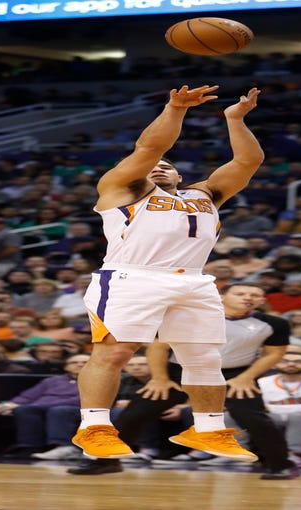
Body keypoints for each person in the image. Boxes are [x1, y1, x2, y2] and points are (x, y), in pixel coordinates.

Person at [74, 85, 264, 462]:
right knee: (114, 354)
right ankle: (94, 428)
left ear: (180, 175)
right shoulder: (123, 189)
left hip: (194, 280)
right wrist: (175, 109)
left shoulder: (205, 195)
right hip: (133, 276)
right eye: (157, 165)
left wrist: (235, 119)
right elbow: (149, 149)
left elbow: (247, 162)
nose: (161, 166)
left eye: (169, 165)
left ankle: (209, 429)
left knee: (205, 358)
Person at [69, 283, 299, 479]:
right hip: (177, 371)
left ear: (262, 300)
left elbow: (274, 354)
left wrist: (247, 377)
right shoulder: (190, 315)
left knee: (253, 417)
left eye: (255, 295)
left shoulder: (274, 323)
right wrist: (159, 378)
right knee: (136, 413)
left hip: (235, 375)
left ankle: (281, 466)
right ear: (222, 296)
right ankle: (105, 461)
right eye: (240, 293)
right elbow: (159, 347)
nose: (248, 297)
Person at [0, 353, 89, 457]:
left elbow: (80, 400)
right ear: (66, 366)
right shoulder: (52, 380)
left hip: (70, 411)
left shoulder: (100, 380)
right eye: (74, 362)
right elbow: (28, 396)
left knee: (34, 410)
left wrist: (21, 407)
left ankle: (30, 446)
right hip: (30, 408)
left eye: (84, 362)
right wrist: (9, 404)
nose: (79, 365)